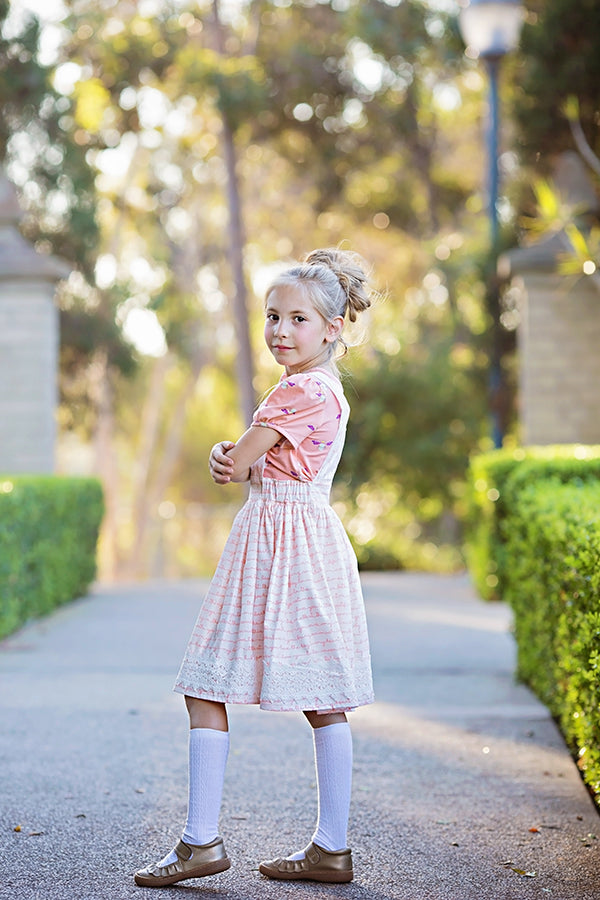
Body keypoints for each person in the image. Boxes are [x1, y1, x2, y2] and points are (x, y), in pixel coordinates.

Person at [134, 247, 375, 888]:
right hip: (299, 537)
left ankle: (202, 843)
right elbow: (249, 459)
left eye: (298, 319)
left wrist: (228, 454)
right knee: (321, 697)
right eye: (273, 317)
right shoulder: (324, 389)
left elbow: (237, 464)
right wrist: (235, 455)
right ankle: (331, 846)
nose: (280, 330)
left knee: (207, 682)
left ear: (332, 328)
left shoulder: (296, 390)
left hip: (280, 542)